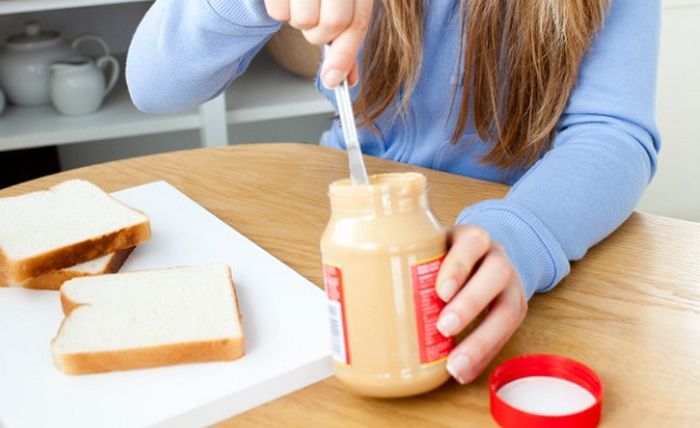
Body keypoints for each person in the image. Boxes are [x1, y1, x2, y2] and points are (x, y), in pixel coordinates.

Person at [126, 1, 660, 385]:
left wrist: (524, 233)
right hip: (333, 227)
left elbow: (612, 134)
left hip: (506, 249)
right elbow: (154, 87)